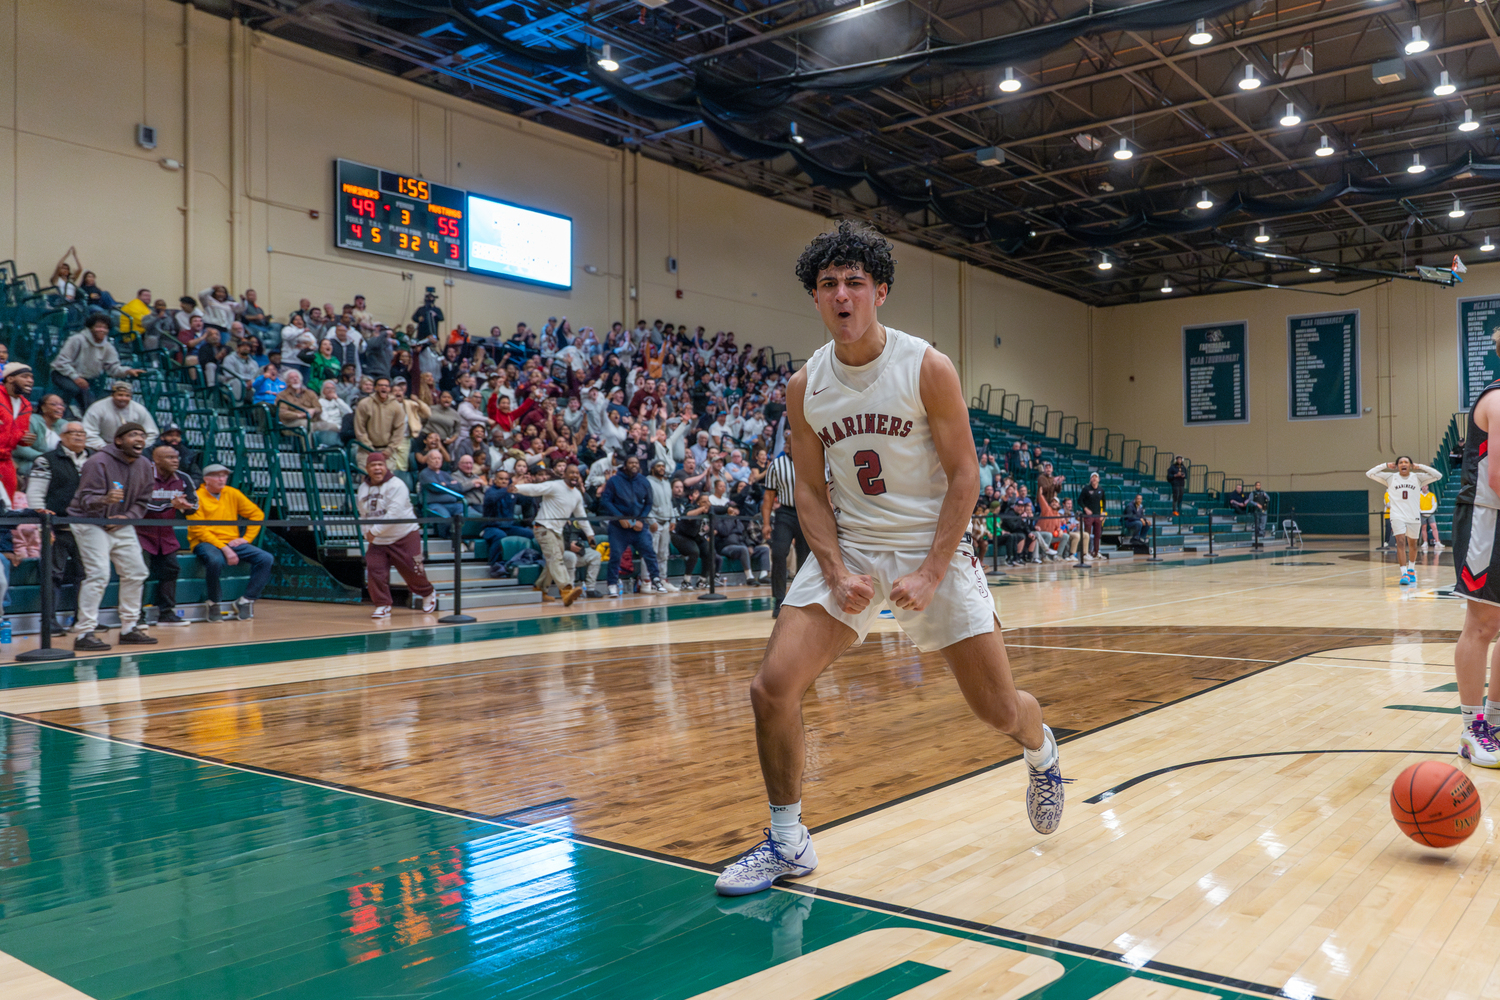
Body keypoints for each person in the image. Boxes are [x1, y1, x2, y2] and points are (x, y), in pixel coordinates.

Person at [715, 221, 1063, 897]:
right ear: (815, 299)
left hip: (934, 546)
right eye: (827, 285)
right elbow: (810, 491)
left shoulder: (926, 367)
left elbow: (967, 476)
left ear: (880, 291)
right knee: (772, 687)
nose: (841, 295)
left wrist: (933, 570)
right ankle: (788, 841)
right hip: (852, 548)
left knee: (996, 710)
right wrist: (838, 570)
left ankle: (1041, 749)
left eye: (853, 283)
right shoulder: (804, 385)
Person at [1447, 357, 1500, 766]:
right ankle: (1471, 728)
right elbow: (1497, 475)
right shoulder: (1498, 398)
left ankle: (1496, 721)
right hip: (1486, 519)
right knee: (1481, 624)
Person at [67, 422, 156, 651]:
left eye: (142, 435)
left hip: (121, 521)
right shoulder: (97, 462)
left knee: (137, 571)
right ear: (118, 440)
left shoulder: (145, 465)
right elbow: (85, 499)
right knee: (98, 574)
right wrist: (104, 500)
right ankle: (85, 632)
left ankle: (129, 628)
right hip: (89, 521)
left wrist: (127, 517)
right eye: (134, 434)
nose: (140, 439)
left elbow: (143, 500)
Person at [187, 464, 275, 621]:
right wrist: (224, 548)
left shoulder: (232, 493)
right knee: (215, 560)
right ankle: (213, 602)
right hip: (204, 541)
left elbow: (257, 514)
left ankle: (246, 600)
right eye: (217, 475)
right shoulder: (196, 497)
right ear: (206, 479)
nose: (221, 479)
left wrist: (246, 539)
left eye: (224, 475)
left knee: (266, 558)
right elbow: (198, 530)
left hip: (231, 540)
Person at [27, 421, 90, 635]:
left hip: (88, 527)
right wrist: (42, 522)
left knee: (88, 575)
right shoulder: (46, 460)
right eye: (73, 433)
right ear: (62, 437)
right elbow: (35, 493)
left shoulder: (94, 460)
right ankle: (49, 622)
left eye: (82, 433)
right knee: (52, 575)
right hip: (56, 527)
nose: (79, 437)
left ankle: (84, 620)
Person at [356, 452, 438, 618]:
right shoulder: (363, 488)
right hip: (378, 540)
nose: (377, 468)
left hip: (404, 535)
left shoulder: (397, 485)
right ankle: (383, 604)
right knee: (374, 569)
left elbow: (394, 514)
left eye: (380, 464)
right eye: (373, 465)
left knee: (413, 572)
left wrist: (373, 532)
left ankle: (428, 592)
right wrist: (366, 532)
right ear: (367, 469)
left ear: (386, 467)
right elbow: (363, 514)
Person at [513, 465, 595, 605]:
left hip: (557, 531)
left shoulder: (577, 494)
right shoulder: (555, 486)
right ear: (564, 475)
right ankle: (566, 590)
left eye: (577, 473)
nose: (574, 475)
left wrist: (590, 534)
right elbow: (535, 489)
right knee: (556, 558)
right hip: (543, 528)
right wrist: (516, 488)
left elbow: (581, 515)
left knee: (554, 560)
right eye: (571, 473)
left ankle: (540, 588)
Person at [139, 444, 198, 626]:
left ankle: (166, 612)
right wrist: (171, 504)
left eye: (176, 457)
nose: (175, 461)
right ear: (156, 460)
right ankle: (135, 616)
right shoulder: (144, 475)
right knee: (139, 574)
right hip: (140, 533)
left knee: (171, 570)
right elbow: (143, 505)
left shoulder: (183, 477)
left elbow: (194, 504)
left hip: (166, 534)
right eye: (169, 458)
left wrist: (186, 507)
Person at [50, 313, 145, 415]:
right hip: (62, 374)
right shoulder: (77, 340)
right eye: (98, 327)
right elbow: (61, 362)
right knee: (73, 388)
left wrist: (127, 371)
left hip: (85, 381)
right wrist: (75, 377)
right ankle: (61, 413)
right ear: (91, 328)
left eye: (105, 328)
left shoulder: (107, 347)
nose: (102, 330)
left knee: (91, 408)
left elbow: (113, 367)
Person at [1367, 457, 1442, 586]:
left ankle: (1411, 569)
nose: (1403, 464)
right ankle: (1404, 573)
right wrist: (1385, 465)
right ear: (1396, 465)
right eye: (1400, 462)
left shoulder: (1417, 477)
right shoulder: (1390, 477)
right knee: (1400, 542)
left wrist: (1420, 466)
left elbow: (1438, 475)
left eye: (1406, 462)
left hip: (1413, 516)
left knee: (1412, 544)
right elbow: (1370, 473)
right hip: (1397, 516)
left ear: (1410, 465)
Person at [598, 454, 663, 596]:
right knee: (615, 556)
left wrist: (641, 520)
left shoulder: (644, 481)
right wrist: (620, 518)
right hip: (618, 527)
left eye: (636, 463)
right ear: (625, 465)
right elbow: (606, 501)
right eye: (631, 463)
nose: (634, 465)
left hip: (639, 527)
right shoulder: (614, 481)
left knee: (650, 553)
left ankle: (656, 580)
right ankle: (612, 584)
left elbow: (649, 503)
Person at [762, 450, 808, 617]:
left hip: (808, 512)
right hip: (785, 513)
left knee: (806, 559)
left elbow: (824, 489)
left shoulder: (812, 459)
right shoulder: (776, 465)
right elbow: (768, 496)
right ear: (786, 445)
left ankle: (803, 600)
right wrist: (766, 523)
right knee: (779, 553)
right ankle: (779, 600)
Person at [82, 381, 159, 452]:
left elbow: (151, 433)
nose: (123, 398)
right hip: (103, 448)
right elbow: (89, 433)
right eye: (120, 395)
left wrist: (138, 446)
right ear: (112, 395)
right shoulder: (97, 407)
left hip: (133, 449)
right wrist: (107, 448)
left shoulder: (139, 409)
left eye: (127, 396)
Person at [354, 377, 407, 472]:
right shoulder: (364, 404)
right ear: (375, 388)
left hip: (387, 451)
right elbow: (360, 430)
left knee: (387, 482)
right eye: (380, 385)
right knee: (366, 479)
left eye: (386, 386)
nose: (384, 387)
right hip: (366, 450)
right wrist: (369, 448)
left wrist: (390, 449)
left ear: (389, 389)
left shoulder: (396, 407)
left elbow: (399, 430)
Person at [0, 362, 35, 496]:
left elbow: (20, 435)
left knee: (8, 506)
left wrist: (26, 440)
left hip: (6, 460)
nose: (30, 381)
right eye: (25, 376)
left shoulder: (26, 405)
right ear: (10, 378)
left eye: (31, 378)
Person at [647, 460, 679, 591]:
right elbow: (645, 504)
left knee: (664, 554)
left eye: (663, 466)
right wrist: (650, 520)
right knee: (650, 553)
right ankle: (647, 580)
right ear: (652, 468)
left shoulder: (666, 483)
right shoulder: (647, 482)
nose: (661, 468)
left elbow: (669, 503)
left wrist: (673, 519)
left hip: (666, 522)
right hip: (654, 522)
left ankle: (662, 579)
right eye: (658, 466)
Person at [1077, 472, 1106, 561]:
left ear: (1098, 479)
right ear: (1090, 479)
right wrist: (1085, 508)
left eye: (1096, 477)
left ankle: (1096, 552)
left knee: (1097, 535)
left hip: (1097, 515)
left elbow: (1104, 502)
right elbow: (1079, 501)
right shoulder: (1086, 489)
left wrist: (1103, 512)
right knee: (1087, 534)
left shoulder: (1101, 490)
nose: (1094, 479)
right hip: (1088, 516)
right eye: (1092, 477)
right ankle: (1086, 553)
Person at [1420, 484, 1442, 552]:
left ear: (1427, 487)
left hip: (1430, 513)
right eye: (1423, 486)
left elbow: (1434, 504)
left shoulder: (1431, 495)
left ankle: (1437, 542)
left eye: (1425, 486)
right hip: (1422, 513)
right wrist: (1421, 511)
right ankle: (1425, 542)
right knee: (1424, 527)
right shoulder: (1418, 495)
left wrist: (1430, 511)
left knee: (1434, 526)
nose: (1424, 487)